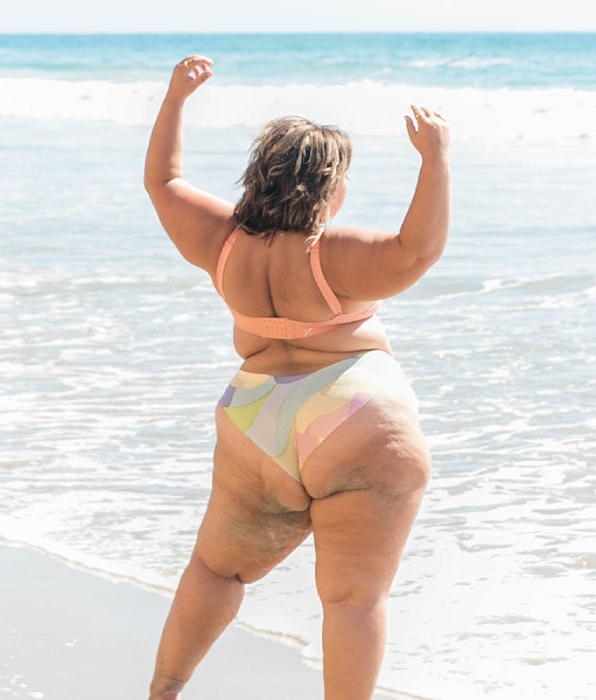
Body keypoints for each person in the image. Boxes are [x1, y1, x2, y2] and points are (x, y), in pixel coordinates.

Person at [143, 55, 450, 700]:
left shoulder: (221, 241)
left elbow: (163, 182)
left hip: (255, 418)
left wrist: (174, 99)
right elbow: (415, 251)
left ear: (256, 179)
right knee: (352, 600)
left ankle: (164, 691)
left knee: (216, 571)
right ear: (332, 192)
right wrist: (434, 160)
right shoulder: (333, 254)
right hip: (354, 417)